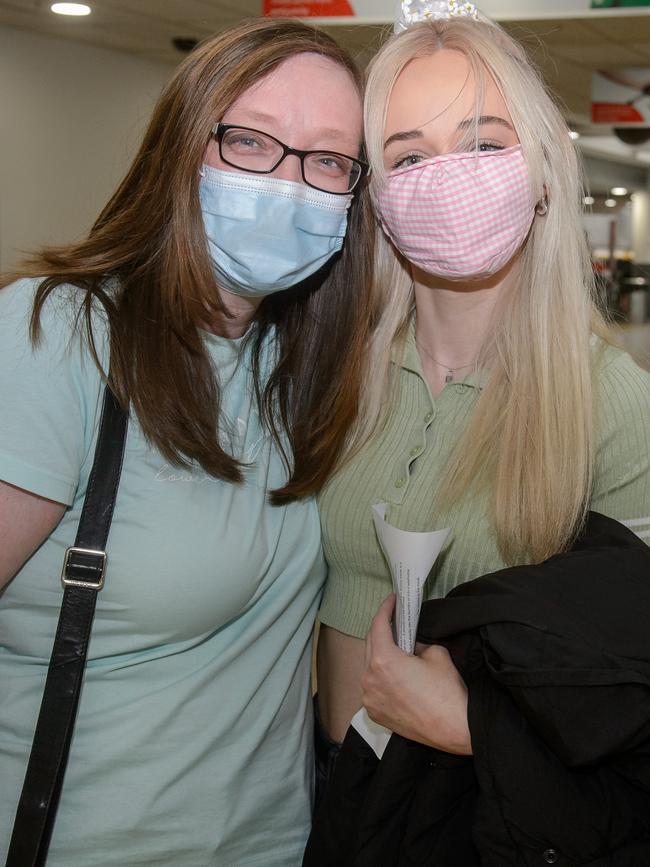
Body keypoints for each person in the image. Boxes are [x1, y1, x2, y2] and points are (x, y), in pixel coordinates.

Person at [0, 17, 374, 866]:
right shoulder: (61, 335)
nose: (289, 184)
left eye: (326, 161)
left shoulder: (305, 367)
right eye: (251, 141)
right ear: (182, 147)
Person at [313, 0, 650, 840]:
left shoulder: (612, 400)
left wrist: (475, 731)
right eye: (408, 154)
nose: (448, 175)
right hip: (320, 797)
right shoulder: (332, 379)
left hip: (480, 814)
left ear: (540, 170)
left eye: (484, 142)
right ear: (380, 200)